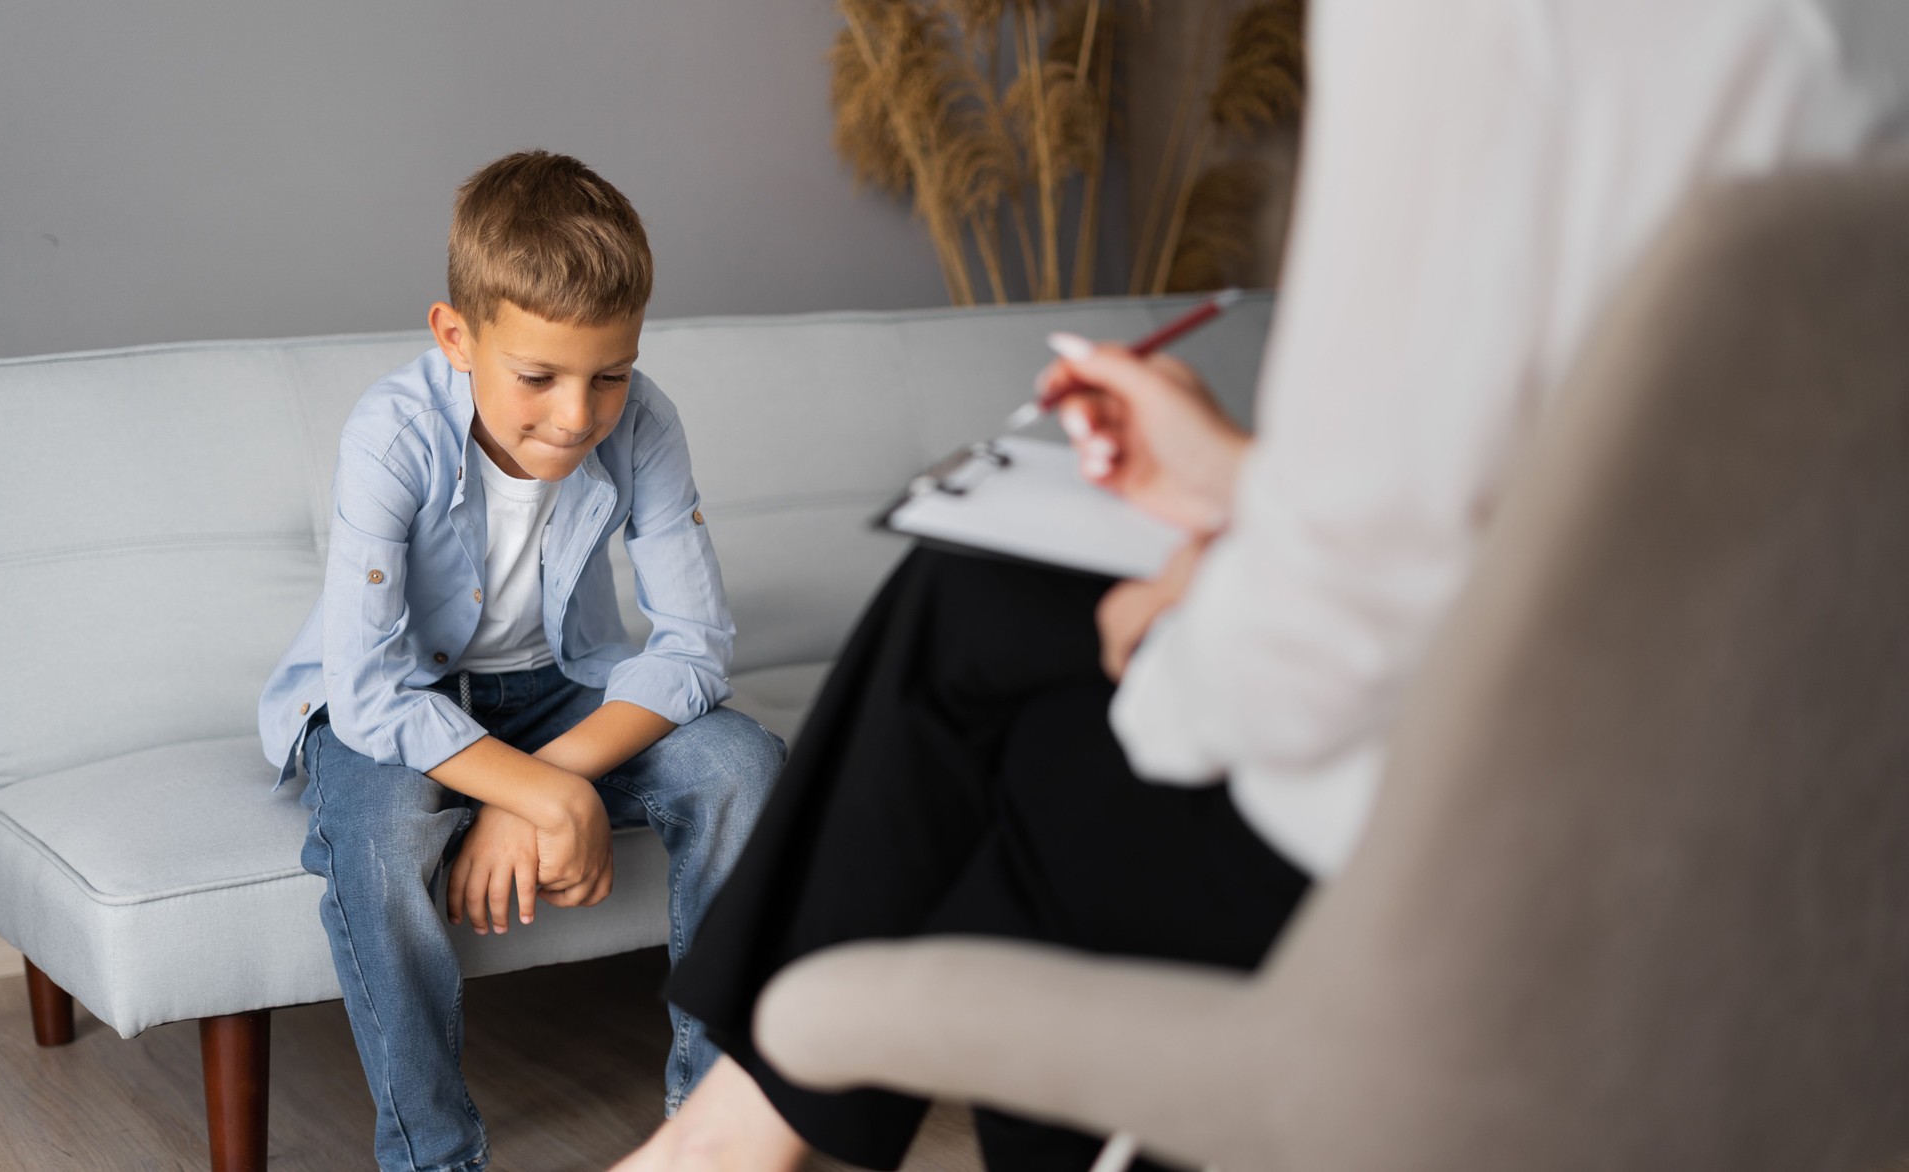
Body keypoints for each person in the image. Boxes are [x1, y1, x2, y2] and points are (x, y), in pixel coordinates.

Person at [619, 3, 1909, 1169]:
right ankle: (729, 1133)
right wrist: (1244, 483)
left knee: (1043, 770)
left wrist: (1171, 630)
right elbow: (1623, 500)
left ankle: (728, 1143)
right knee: (977, 593)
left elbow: (1317, 651)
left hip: (1494, 850)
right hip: (1774, 820)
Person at [255, 150, 784, 1172]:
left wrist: (543, 784)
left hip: (556, 690)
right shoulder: (390, 435)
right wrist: (538, 789)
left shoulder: (647, 423)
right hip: (395, 700)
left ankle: (713, 1124)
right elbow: (367, 693)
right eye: (538, 376)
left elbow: (695, 646)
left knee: (744, 763)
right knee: (383, 821)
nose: (580, 415)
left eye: (611, 374)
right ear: (456, 335)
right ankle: (433, 1155)